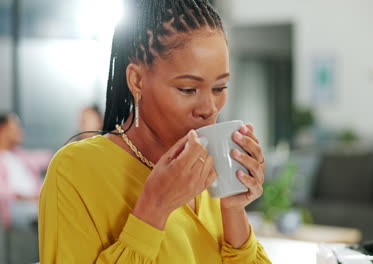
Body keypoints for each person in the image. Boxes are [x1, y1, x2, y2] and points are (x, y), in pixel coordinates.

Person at [39, 0, 272, 263]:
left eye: (219, 88)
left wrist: (233, 208)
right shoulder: (76, 171)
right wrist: (154, 209)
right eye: (187, 89)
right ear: (137, 80)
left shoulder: (211, 171)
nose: (209, 108)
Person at [0, 112, 52, 229]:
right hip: (15, 206)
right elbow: (3, 191)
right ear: (3, 130)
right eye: (16, 126)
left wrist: (66, 152)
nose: (20, 130)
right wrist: (27, 198)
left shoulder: (19, 155)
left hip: (35, 202)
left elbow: (45, 157)